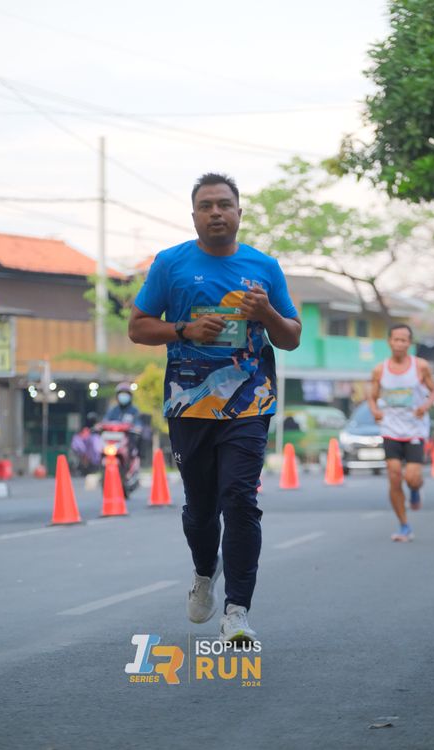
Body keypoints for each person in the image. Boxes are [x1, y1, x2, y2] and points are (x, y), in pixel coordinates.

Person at [129, 172, 301, 642]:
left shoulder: (264, 267)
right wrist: (184, 330)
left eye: (224, 204)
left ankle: (237, 611)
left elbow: (291, 337)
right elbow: (138, 327)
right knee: (201, 509)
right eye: (206, 206)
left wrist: (266, 313)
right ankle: (205, 570)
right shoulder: (171, 264)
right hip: (189, 405)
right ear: (194, 216)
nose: (216, 213)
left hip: (249, 403)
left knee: (240, 500)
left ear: (239, 213)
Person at [368, 324, 434, 542]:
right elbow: (372, 396)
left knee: (412, 478)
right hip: (390, 429)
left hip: (415, 429)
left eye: (404, 340)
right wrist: (375, 411)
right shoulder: (380, 370)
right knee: (394, 476)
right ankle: (404, 526)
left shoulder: (420, 366)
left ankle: (415, 490)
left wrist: (425, 406)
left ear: (410, 343)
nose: (400, 344)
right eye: (396, 339)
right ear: (389, 342)